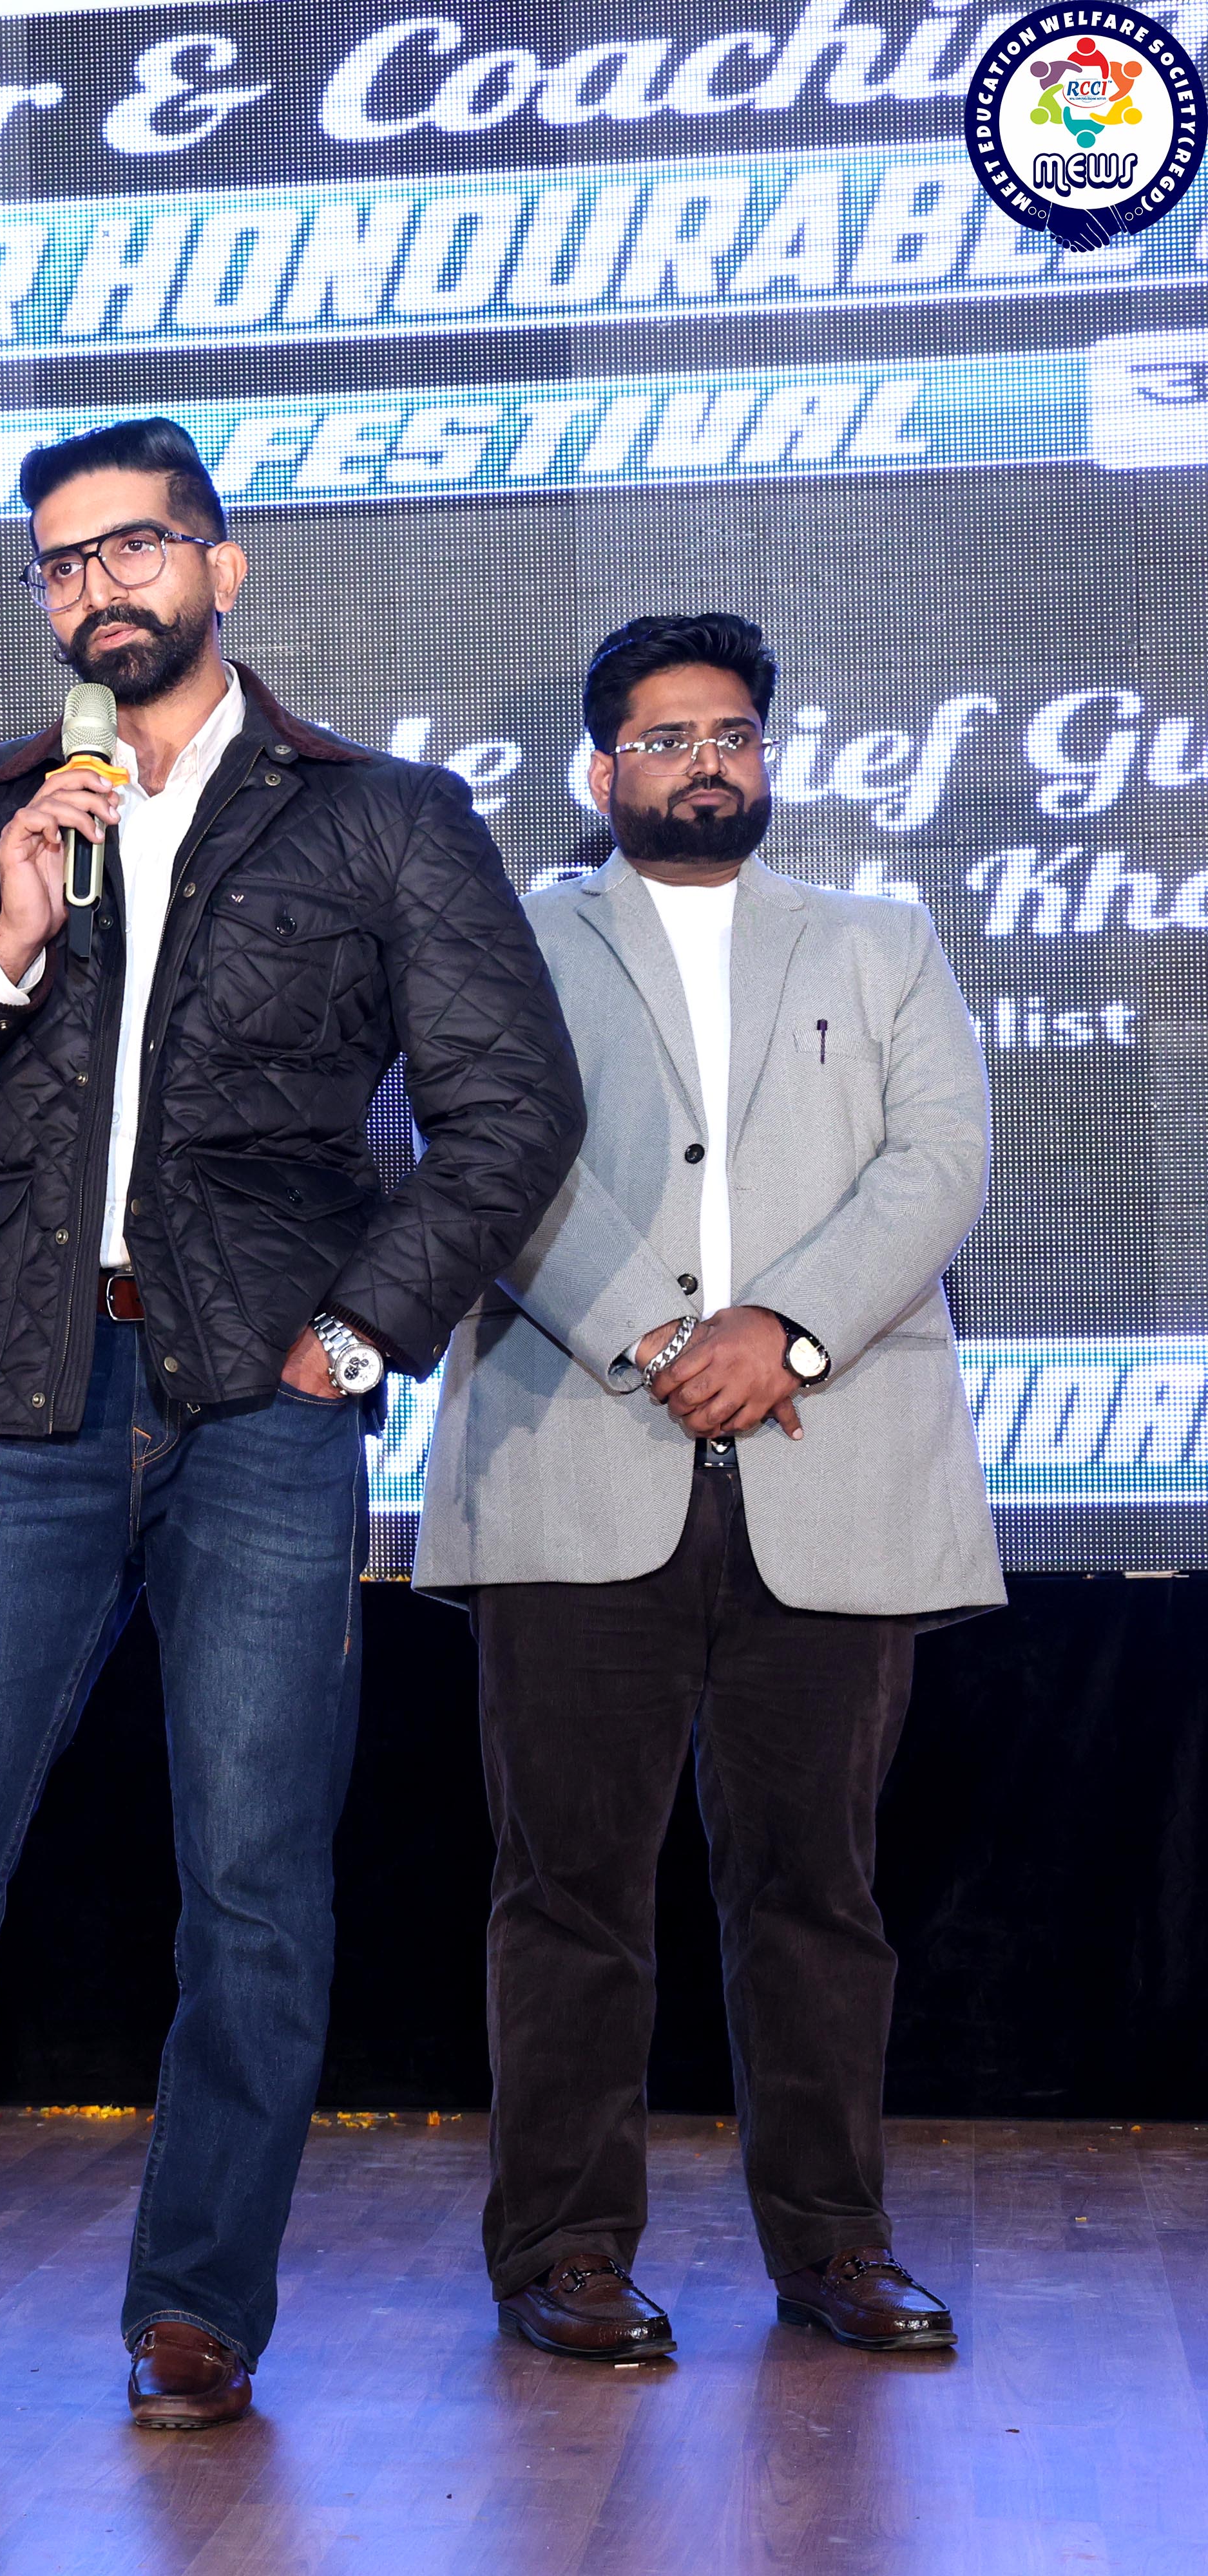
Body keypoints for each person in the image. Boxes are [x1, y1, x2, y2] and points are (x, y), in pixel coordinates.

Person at [0, 417, 582, 2431]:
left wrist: (360, 1335)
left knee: (253, 1882)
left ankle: (199, 2306)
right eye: (60, 561)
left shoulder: (378, 817)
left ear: (224, 568)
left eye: (134, 546)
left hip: (259, 1404)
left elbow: (512, 1111)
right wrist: (1, 937)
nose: (98, 587)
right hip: (10, 1398)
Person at [419, 612, 996, 2362]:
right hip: (576, 1456)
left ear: (767, 756)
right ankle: (565, 2252)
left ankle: (835, 2246)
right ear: (604, 770)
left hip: (834, 1467)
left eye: (731, 732)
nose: (705, 762)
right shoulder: (513, 939)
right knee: (569, 1892)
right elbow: (489, 1155)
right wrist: (659, 1341)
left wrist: (785, 1332)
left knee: (817, 1892)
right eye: (667, 738)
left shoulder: (882, 939)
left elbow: (940, 1163)